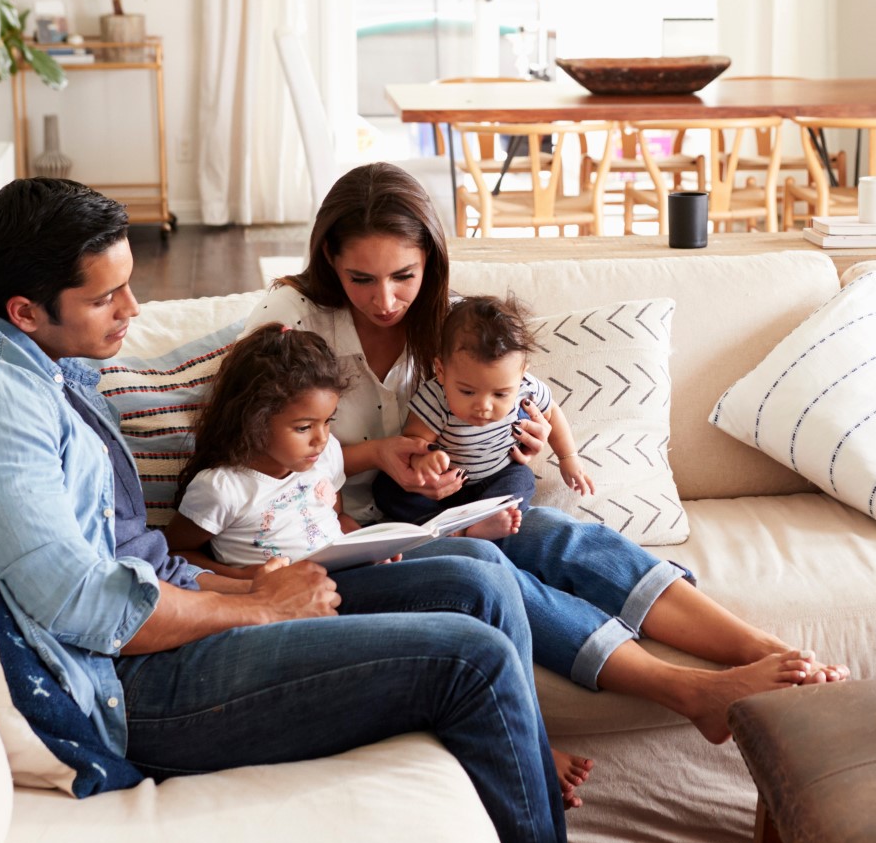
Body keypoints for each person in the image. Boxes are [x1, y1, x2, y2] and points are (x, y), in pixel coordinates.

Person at [0, 177, 738, 843]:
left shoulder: (42, 363)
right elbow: (85, 608)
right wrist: (256, 604)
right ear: (25, 307)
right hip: (127, 689)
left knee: (478, 574)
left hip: (181, 608)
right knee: (477, 663)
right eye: (106, 296)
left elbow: (127, 558)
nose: (134, 308)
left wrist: (248, 577)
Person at [244, 163, 847, 743]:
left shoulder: (444, 326)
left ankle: (767, 652)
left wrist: (522, 443)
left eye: (405, 274)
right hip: (338, 541)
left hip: (440, 514)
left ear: (429, 258)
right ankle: (690, 693)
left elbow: (501, 405)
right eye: (362, 279)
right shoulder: (292, 322)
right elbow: (249, 457)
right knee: (494, 570)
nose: (386, 300)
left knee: (561, 537)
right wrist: (377, 453)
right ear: (330, 258)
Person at [165, 321, 593, 807]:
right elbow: (178, 554)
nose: (321, 440)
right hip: (292, 605)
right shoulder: (223, 488)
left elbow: (332, 514)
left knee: (484, 563)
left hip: (350, 573)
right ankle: (526, 752)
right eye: (304, 428)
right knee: (469, 601)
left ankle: (526, 740)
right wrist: (248, 582)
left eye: (327, 423)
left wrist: (360, 539)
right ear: (253, 419)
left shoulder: (321, 456)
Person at [380, 294, 591, 526]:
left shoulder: (526, 388)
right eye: (467, 392)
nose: (484, 406)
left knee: (522, 479)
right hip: (442, 488)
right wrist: (424, 462)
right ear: (441, 371)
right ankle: (452, 528)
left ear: (521, 375)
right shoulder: (435, 397)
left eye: (500, 394)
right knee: (387, 489)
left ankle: (485, 522)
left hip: (496, 477)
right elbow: (413, 441)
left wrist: (568, 457)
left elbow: (552, 413)